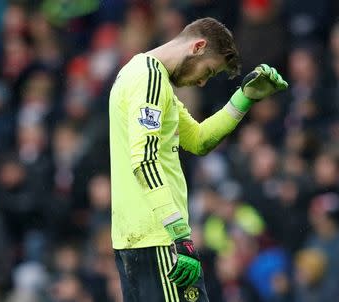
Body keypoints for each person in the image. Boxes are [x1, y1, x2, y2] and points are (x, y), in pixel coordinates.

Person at [109, 17, 287, 302]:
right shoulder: (151, 79)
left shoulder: (138, 74)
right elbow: (144, 160)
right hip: (161, 240)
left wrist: (244, 99)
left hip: (137, 239)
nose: (203, 82)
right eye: (208, 70)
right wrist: (180, 238)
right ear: (198, 47)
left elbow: (198, 139)